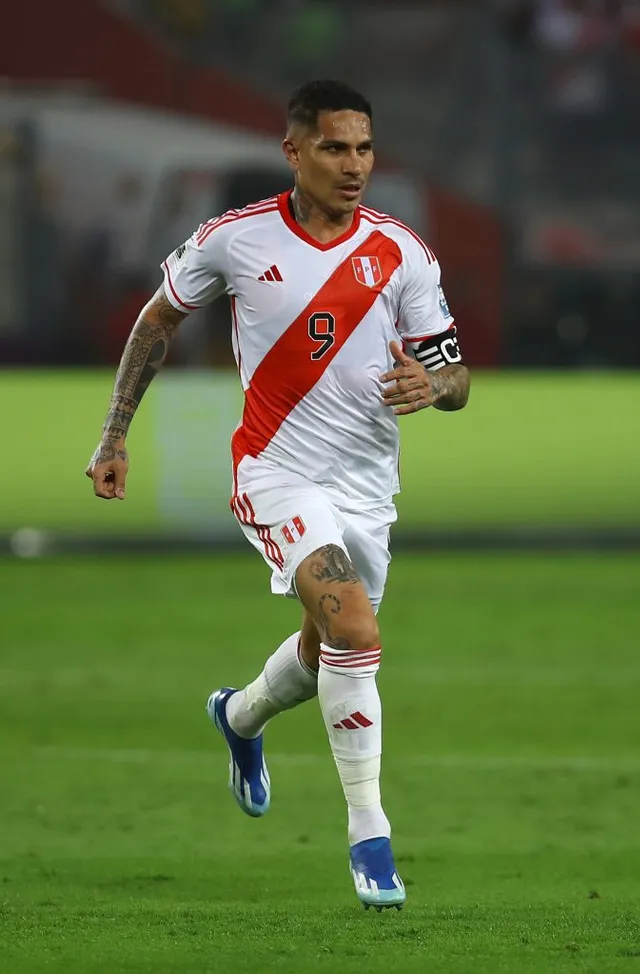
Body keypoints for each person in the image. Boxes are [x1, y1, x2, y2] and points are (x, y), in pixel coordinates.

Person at [85, 80, 470, 911]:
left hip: (368, 486)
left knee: (323, 646)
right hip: (275, 471)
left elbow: (456, 373)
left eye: (365, 148)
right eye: (335, 148)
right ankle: (371, 836)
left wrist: (435, 387)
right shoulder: (234, 238)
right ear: (293, 152)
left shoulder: (401, 252)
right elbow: (157, 322)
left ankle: (241, 716)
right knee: (358, 629)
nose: (354, 165)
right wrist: (113, 435)